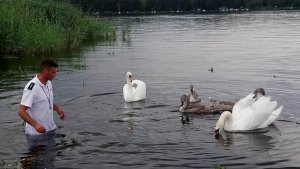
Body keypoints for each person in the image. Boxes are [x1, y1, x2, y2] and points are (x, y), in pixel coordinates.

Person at [18, 59, 65, 147]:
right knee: (38, 159)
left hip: (51, 129)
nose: (55, 75)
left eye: (56, 72)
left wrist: (57, 108)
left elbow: (46, 101)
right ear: (45, 71)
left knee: (51, 158)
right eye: (53, 72)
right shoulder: (32, 88)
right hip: (36, 135)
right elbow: (21, 111)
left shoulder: (48, 83)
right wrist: (35, 125)